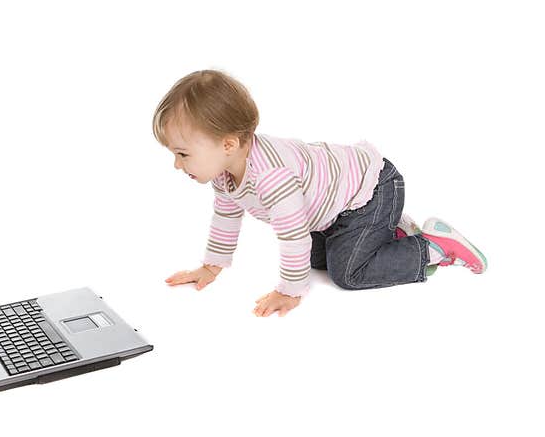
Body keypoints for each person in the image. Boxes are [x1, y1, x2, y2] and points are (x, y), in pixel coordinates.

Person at [153, 69, 487, 317]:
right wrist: (211, 267)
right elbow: (226, 216)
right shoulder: (225, 172)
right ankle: (391, 232)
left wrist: (290, 291)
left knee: (348, 272)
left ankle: (431, 248)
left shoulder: (271, 176)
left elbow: (294, 236)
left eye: (183, 154)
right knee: (317, 260)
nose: (177, 165)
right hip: (333, 212)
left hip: (371, 191)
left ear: (228, 144)